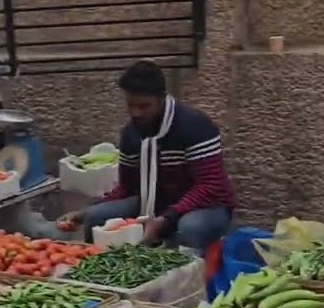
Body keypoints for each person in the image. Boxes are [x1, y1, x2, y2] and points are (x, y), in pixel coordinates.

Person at [61, 60, 234, 250]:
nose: (135, 113)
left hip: (205, 206)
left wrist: (166, 218)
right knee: (97, 216)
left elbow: (210, 186)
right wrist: (85, 212)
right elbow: (126, 188)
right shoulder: (131, 133)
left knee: (190, 227)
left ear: (161, 99)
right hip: (154, 202)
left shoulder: (195, 126)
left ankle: (189, 276)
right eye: (131, 105)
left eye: (144, 106)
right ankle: (101, 273)